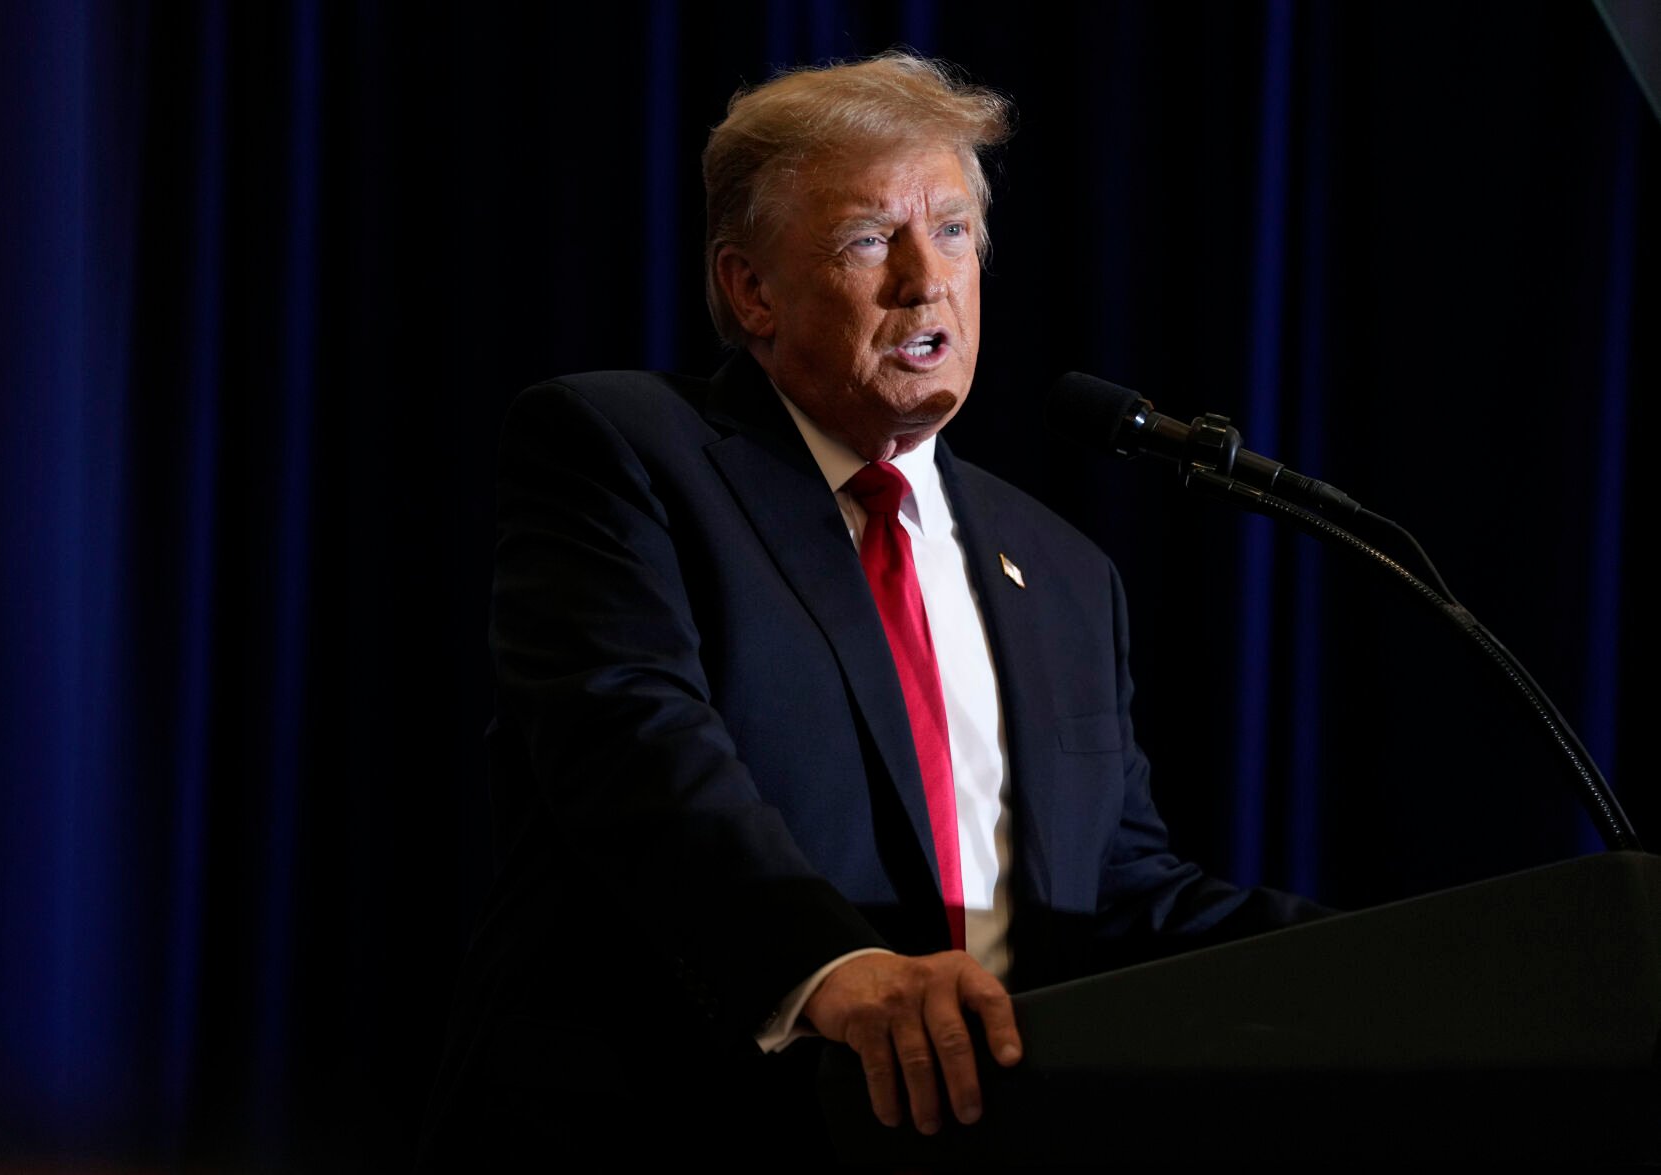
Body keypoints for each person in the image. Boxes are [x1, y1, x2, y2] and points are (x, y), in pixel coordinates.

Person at [418, 52, 1324, 1166]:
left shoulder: (1063, 571)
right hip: (670, 1121)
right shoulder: (623, 453)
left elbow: (1117, 888)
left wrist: (1389, 960)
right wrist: (829, 967)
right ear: (750, 287)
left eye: (950, 231)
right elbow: (633, 744)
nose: (922, 278)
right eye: (866, 239)